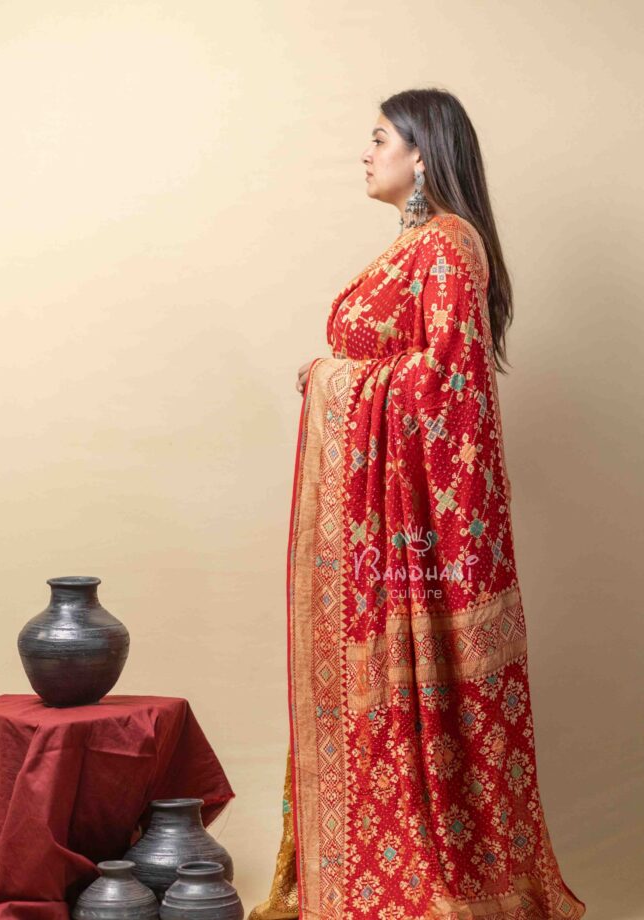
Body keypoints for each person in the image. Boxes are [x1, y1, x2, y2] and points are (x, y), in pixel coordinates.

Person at [248, 88, 586, 920]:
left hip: (420, 543)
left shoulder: (447, 246)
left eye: (378, 140)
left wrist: (334, 378)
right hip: (381, 532)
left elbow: (447, 386)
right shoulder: (419, 247)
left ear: (423, 155)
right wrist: (347, 377)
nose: (365, 155)